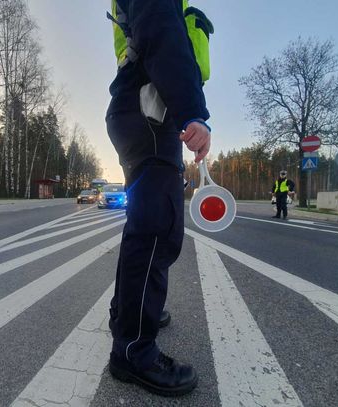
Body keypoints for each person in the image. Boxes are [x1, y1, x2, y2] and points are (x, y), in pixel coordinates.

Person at [105, 0, 212, 397]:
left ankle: (126, 317)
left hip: (138, 106)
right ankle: (134, 351)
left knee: (145, 227)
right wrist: (192, 112)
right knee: (156, 229)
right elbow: (162, 29)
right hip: (149, 105)